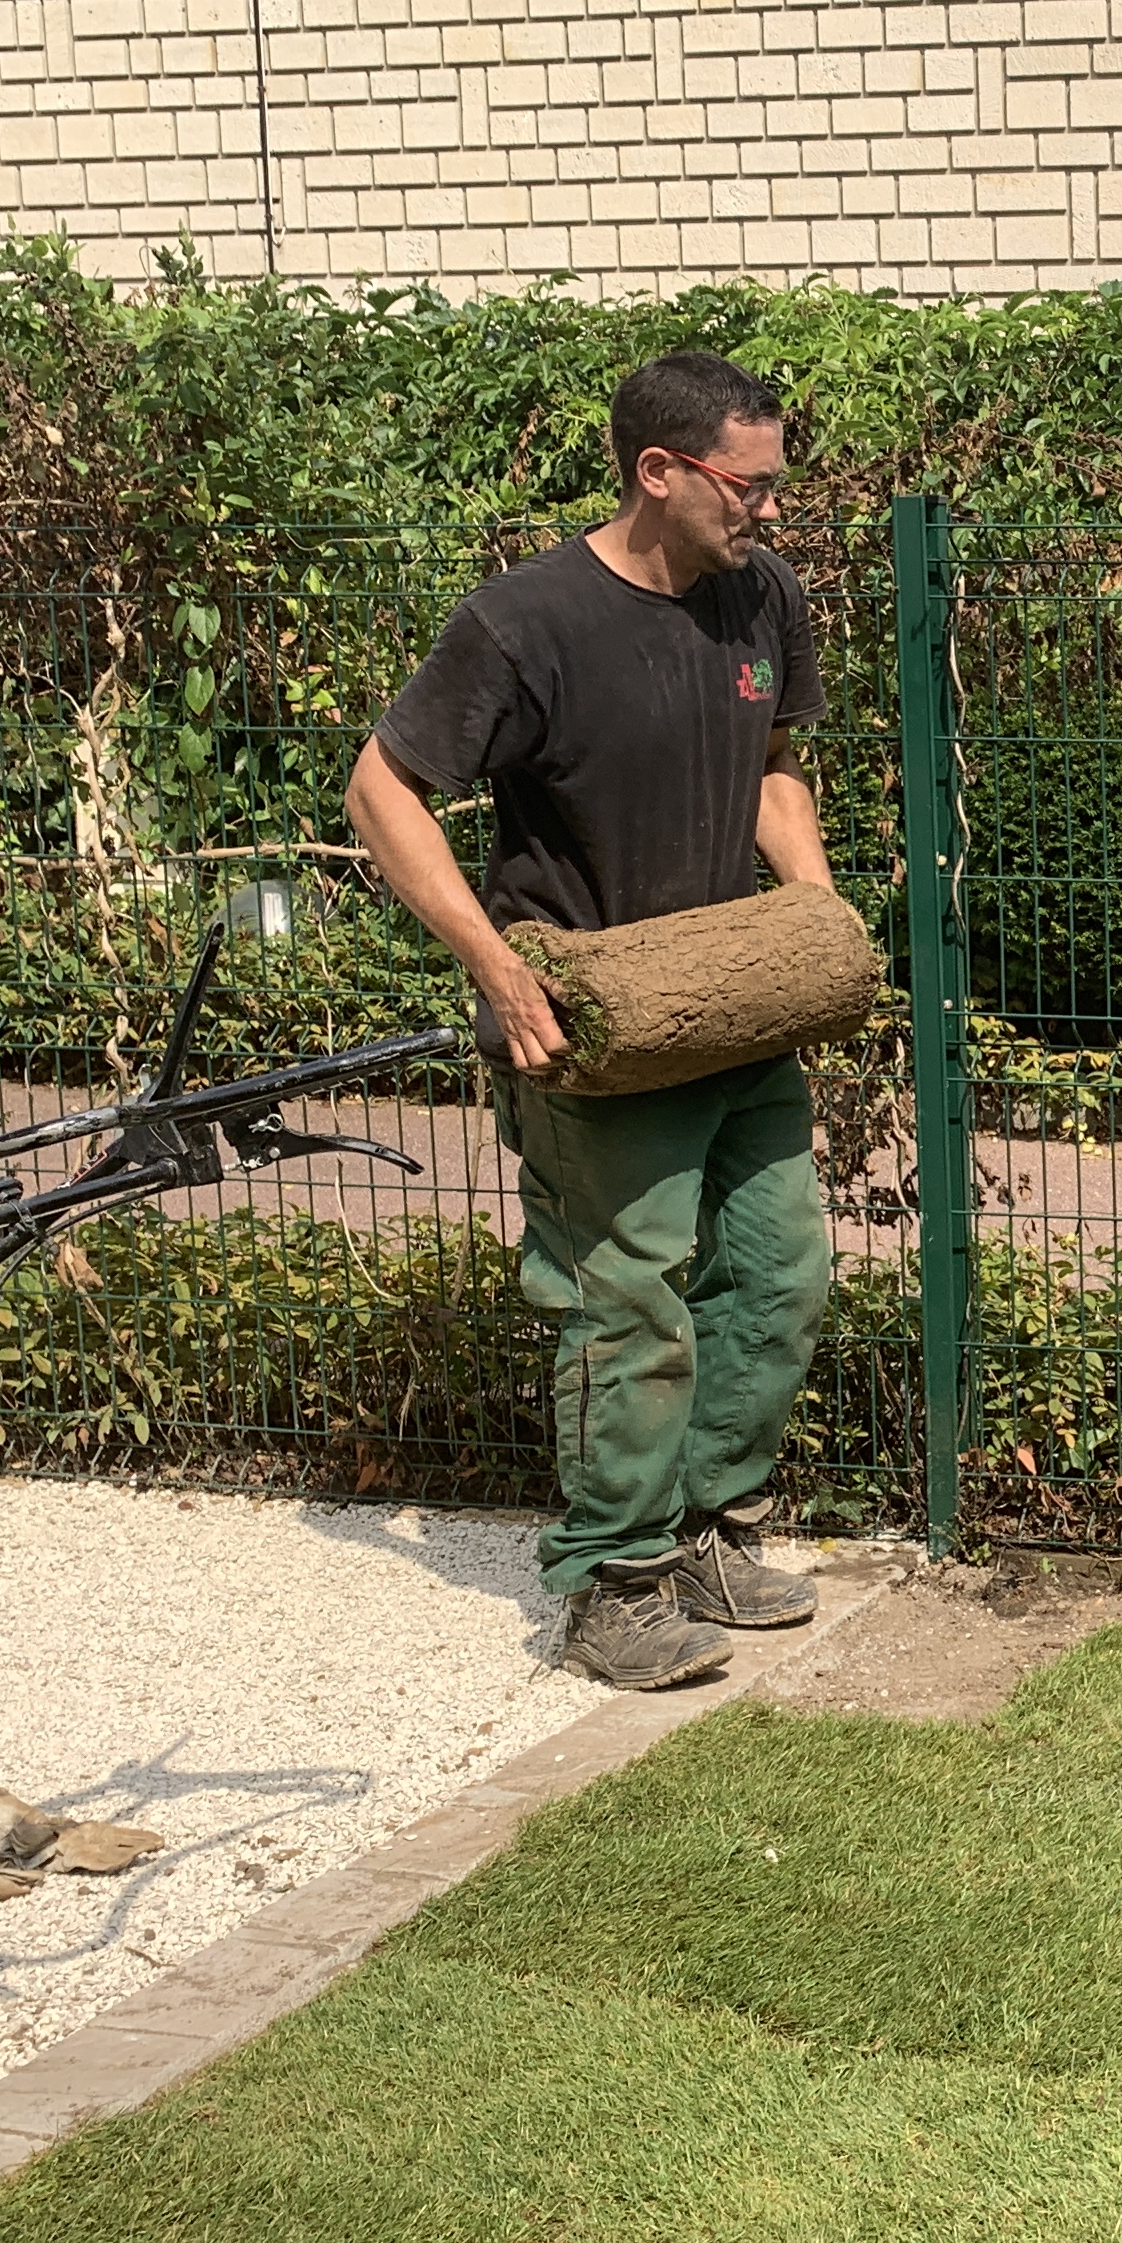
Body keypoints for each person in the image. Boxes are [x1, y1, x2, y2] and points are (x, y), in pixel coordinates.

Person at [345, 350, 840, 1691]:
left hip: (735, 1003)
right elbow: (381, 790)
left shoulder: (761, 601)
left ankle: (710, 1534)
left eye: (778, 485)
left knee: (783, 1273)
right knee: (627, 1302)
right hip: (595, 1027)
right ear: (660, 474)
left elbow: (772, 775)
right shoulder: (527, 625)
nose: (772, 513)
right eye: (752, 486)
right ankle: (614, 1585)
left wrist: (812, 913)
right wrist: (496, 968)